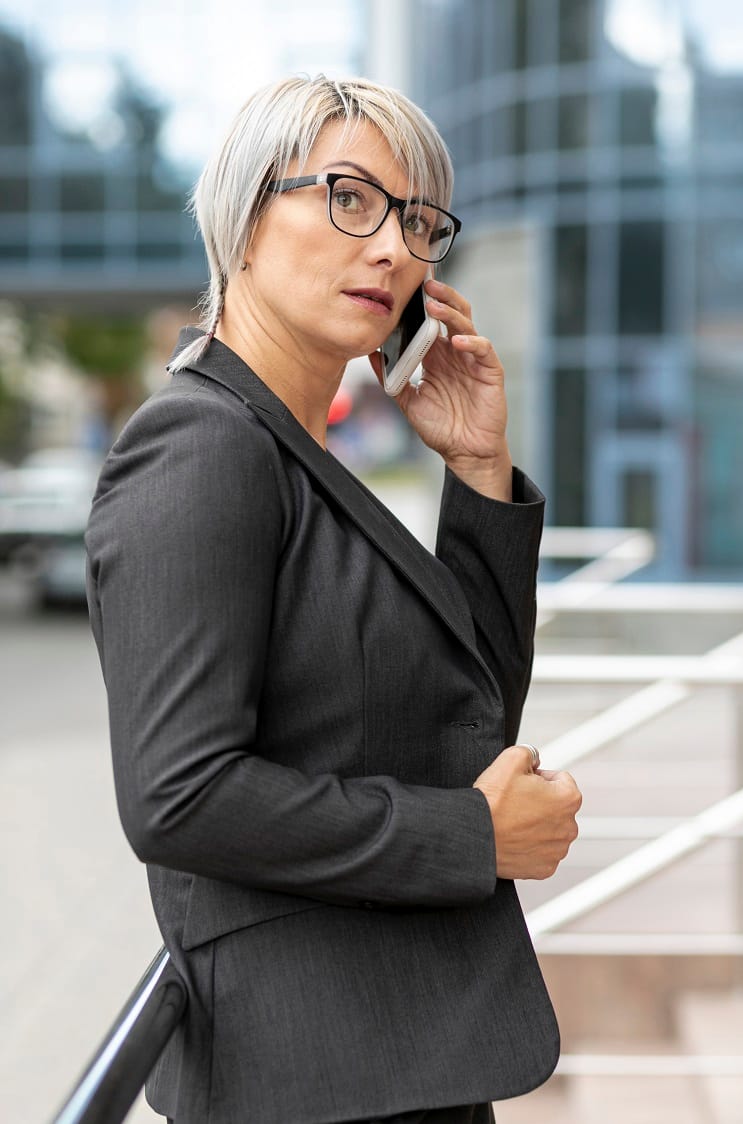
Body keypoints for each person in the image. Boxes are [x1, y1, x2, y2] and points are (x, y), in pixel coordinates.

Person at [85, 75, 582, 1124]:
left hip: (398, 1058)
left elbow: (469, 715)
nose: (395, 248)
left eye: (417, 221)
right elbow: (178, 793)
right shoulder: (202, 448)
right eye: (350, 198)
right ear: (245, 218)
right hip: (311, 1081)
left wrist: (481, 467)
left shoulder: (296, 454)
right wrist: (468, 838)